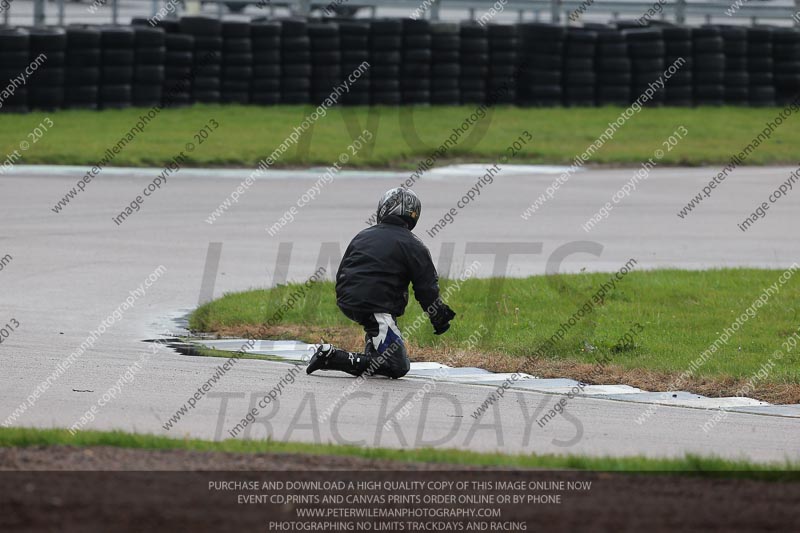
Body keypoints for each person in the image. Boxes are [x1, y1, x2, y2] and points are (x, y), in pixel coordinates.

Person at [306, 187, 456, 379]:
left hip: (347, 299)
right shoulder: (414, 245)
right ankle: (331, 357)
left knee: (378, 338)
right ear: (414, 215)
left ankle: (373, 350)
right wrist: (439, 317)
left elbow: (344, 269)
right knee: (397, 365)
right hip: (376, 306)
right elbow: (426, 288)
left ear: (384, 209)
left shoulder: (363, 235)